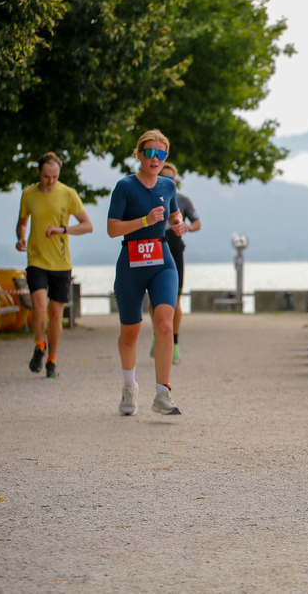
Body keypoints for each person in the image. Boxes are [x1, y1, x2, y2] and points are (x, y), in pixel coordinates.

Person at [106, 129, 188, 416]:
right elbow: (112, 228)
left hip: (162, 260)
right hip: (131, 262)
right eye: (150, 153)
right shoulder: (125, 187)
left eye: (161, 154)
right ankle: (130, 388)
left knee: (164, 323)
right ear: (139, 154)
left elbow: (174, 214)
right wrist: (143, 220)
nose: (155, 158)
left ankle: (162, 393)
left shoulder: (168, 186)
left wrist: (179, 224)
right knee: (131, 331)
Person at [16, 151, 93, 378]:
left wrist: (63, 230)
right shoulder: (28, 194)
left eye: (55, 177)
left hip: (61, 262)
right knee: (39, 307)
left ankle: (52, 360)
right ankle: (39, 345)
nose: (51, 181)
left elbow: (88, 225)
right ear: (39, 172)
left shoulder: (68, 194)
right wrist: (20, 237)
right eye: (47, 176)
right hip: (37, 259)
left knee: (56, 315)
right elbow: (22, 223)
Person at [150, 162, 201, 365]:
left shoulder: (183, 200)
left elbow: (198, 223)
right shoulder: (149, 196)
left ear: (175, 181)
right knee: (155, 299)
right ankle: (157, 335)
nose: (168, 181)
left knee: (176, 298)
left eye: (171, 178)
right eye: (164, 177)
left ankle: (175, 343)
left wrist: (186, 227)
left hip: (175, 247)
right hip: (154, 246)